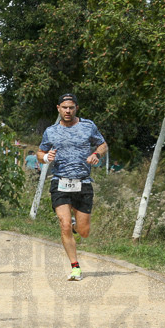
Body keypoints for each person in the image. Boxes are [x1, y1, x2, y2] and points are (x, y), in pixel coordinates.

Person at [39, 93, 108, 281]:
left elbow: (103, 145)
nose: (67, 111)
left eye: (71, 107)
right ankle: (75, 267)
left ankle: (77, 228)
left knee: (84, 232)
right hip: (60, 181)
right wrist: (46, 158)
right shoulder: (51, 131)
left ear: (76, 108)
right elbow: (40, 151)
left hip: (83, 182)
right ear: (58, 108)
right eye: (64, 107)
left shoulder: (88, 126)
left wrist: (96, 154)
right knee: (64, 223)